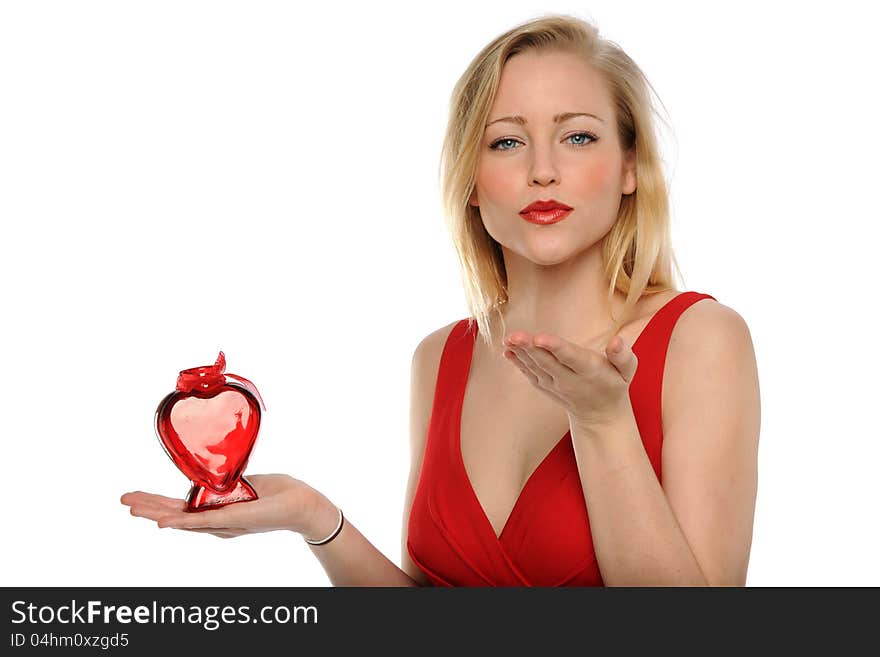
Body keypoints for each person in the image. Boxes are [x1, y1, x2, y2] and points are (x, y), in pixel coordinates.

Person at [121, 13, 760, 587]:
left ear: (629, 168)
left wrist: (601, 422)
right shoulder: (440, 356)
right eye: (506, 141)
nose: (542, 169)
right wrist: (314, 519)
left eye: (579, 137)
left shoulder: (701, 339)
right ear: (472, 182)